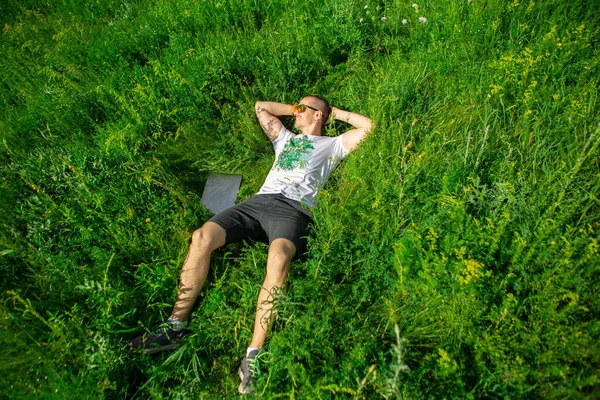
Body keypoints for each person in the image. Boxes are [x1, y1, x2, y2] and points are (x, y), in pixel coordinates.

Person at [129, 96, 372, 394]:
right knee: (201, 237)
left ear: (319, 114)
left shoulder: (333, 145)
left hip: (293, 210)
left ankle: (253, 354)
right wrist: (296, 108)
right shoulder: (285, 140)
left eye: (301, 108)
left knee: (279, 260)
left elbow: (368, 128)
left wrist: (336, 113)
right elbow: (261, 107)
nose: (294, 113)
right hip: (257, 203)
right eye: (294, 108)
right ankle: (174, 326)